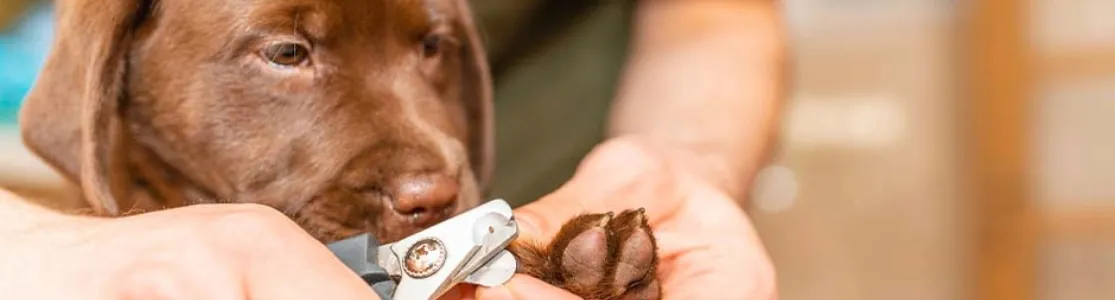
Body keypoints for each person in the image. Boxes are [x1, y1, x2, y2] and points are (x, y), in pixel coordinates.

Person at [0, 0, 783, 299]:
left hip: (534, 229)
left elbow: (710, 15)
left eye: (431, 46)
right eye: (288, 52)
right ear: (115, 67)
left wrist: (687, 167)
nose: (426, 174)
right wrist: (31, 246)